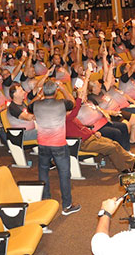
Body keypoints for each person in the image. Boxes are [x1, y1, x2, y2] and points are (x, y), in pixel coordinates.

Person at [29, 80, 80, 216]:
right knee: (64, 174)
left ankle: (46, 200)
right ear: (56, 91)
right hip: (59, 145)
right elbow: (73, 103)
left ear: (43, 91)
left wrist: (39, 95)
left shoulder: (36, 105)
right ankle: (67, 205)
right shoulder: (62, 104)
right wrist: (63, 88)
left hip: (43, 144)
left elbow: (29, 105)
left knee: (43, 172)